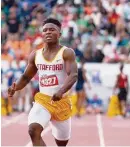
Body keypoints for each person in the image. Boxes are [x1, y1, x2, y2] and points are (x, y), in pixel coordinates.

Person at [8, 18, 78, 146]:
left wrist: (61, 91)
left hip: (61, 102)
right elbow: (26, 77)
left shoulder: (67, 53)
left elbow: (73, 75)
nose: (48, 32)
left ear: (60, 34)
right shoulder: (36, 55)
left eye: (52, 30)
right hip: (43, 101)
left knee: (61, 143)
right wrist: (15, 87)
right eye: (45, 30)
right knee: (33, 130)